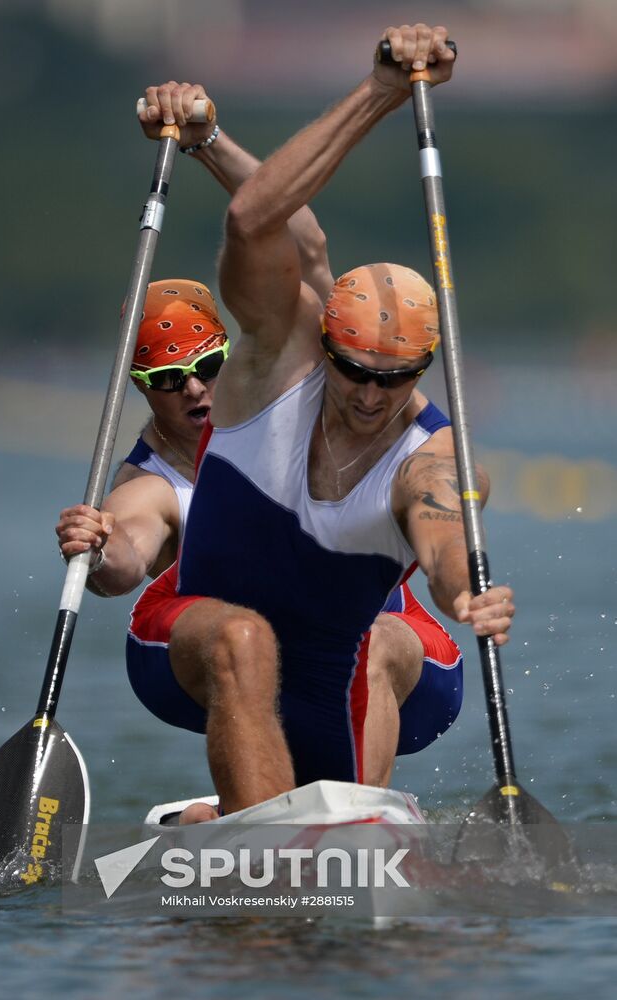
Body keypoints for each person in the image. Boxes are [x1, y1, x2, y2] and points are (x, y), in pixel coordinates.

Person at [127, 23, 516, 817]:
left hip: (363, 675)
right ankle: (261, 834)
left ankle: (337, 833)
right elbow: (258, 224)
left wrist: (464, 592)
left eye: (398, 378)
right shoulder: (280, 355)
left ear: (426, 365)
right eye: (354, 372)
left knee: (381, 639)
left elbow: (445, 541)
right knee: (244, 641)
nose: (373, 397)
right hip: (214, 654)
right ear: (322, 344)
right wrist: (378, 90)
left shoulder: (433, 456)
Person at [55, 278, 228, 595]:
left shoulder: (273, 409)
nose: (194, 389)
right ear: (139, 384)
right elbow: (129, 556)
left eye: (208, 366)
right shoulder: (147, 485)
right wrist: (97, 551)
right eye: (168, 378)